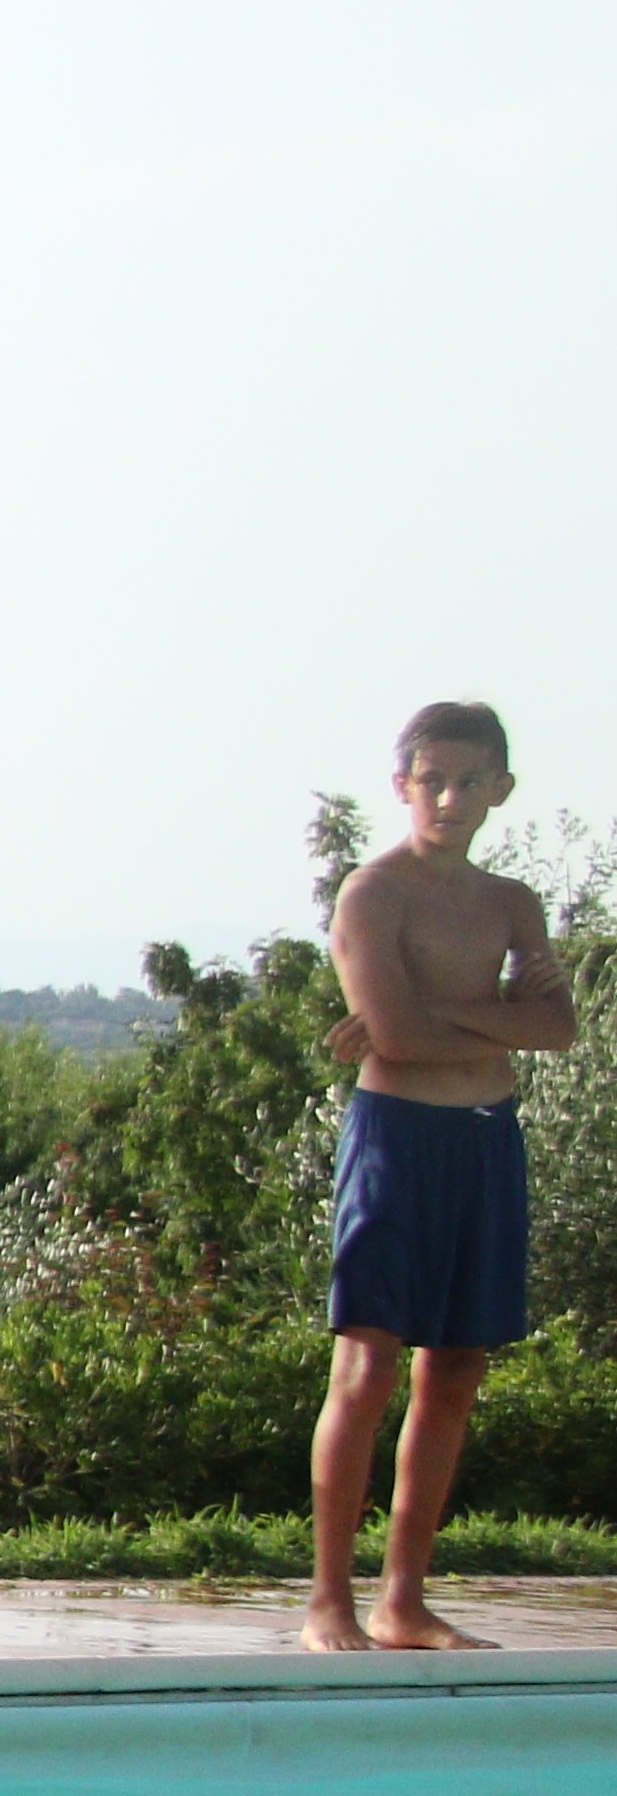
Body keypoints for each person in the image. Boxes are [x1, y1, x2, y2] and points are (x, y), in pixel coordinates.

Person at [306, 702, 578, 1652]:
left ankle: (403, 1600)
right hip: (397, 1139)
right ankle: (329, 1601)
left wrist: (438, 1011)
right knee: (368, 1366)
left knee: (457, 1367)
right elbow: (399, 1039)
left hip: (486, 1138)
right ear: (403, 786)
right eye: (433, 781)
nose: (450, 799)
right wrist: (488, 1015)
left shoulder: (511, 903)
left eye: (469, 782)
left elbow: (559, 1028)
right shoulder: (372, 894)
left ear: (501, 789)